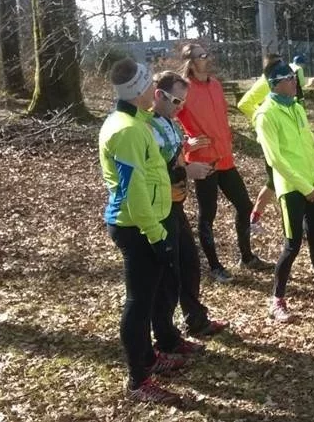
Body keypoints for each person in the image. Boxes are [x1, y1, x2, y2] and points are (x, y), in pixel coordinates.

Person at [99, 59, 191, 404]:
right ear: (138, 91)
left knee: (149, 297)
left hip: (148, 220)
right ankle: (138, 380)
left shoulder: (136, 121)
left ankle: (151, 358)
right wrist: (155, 234)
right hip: (135, 226)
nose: (154, 89)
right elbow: (134, 190)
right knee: (138, 303)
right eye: (148, 84)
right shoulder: (126, 130)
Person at [254, 60, 314, 323]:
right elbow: (275, 160)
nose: (295, 82)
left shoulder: (297, 107)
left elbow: (311, 146)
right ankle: (276, 300)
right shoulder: (265, 114)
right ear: (275, 83)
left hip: (313, 185)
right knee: (292, 245)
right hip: (291, 189)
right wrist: (304, 187)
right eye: (290, 78)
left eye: (294, 77)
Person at [177, 43, 272, 283]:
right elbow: (163, 120)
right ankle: (214, 266)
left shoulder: (216, 85)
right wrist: (186, 144)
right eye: (202, 55)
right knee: (208, 215)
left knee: (245, 206)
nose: (208, 58)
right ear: (191, 62)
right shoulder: (183, 89)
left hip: (225, 159)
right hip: (203, 163)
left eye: (207, 54)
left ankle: (246, 257)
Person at [150, 70, 230, 339]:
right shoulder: (147, 127)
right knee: (168, 272)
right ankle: (165, 336)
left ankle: (195, 319)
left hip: (176, 204)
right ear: (158, 95)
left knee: (190, 264)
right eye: (176, 101)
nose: (180, 107)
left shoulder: (173, 125)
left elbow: (176, 156)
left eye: (183, 102)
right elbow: (150, 170)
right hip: (158, 207)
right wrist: (185, 170)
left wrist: (190, 159)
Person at [237, 55, 281, 234]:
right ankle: (254, 219)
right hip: (271, 138)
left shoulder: (281, 80)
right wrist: (260, 118)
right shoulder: (265, 83)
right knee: (273, 181)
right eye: (279, 64)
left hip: (284, 136)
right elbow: (244, 104)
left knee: (279, 181)